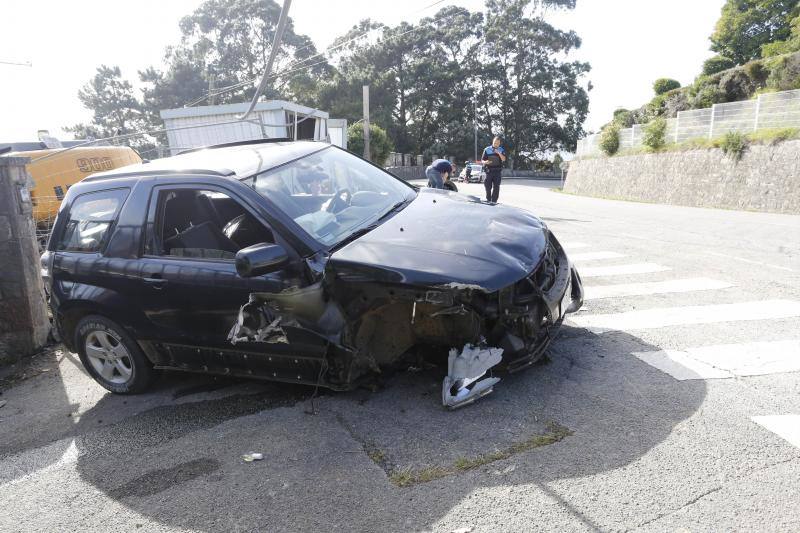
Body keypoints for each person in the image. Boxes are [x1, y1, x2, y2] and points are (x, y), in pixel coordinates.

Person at [481, 136, 506, 202]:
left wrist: (498, 153)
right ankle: (488, 199)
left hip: (497, 171)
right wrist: (485, 162)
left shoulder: (501, 149)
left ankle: (494, 201)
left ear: (499, 143)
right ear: (492, 142)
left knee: (496, 187)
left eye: (497, 143)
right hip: (488, 171)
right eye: (495, 143)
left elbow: (503, 159)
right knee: (487, 187)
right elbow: (482, 160)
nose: (496, 144)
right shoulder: (487, 149)